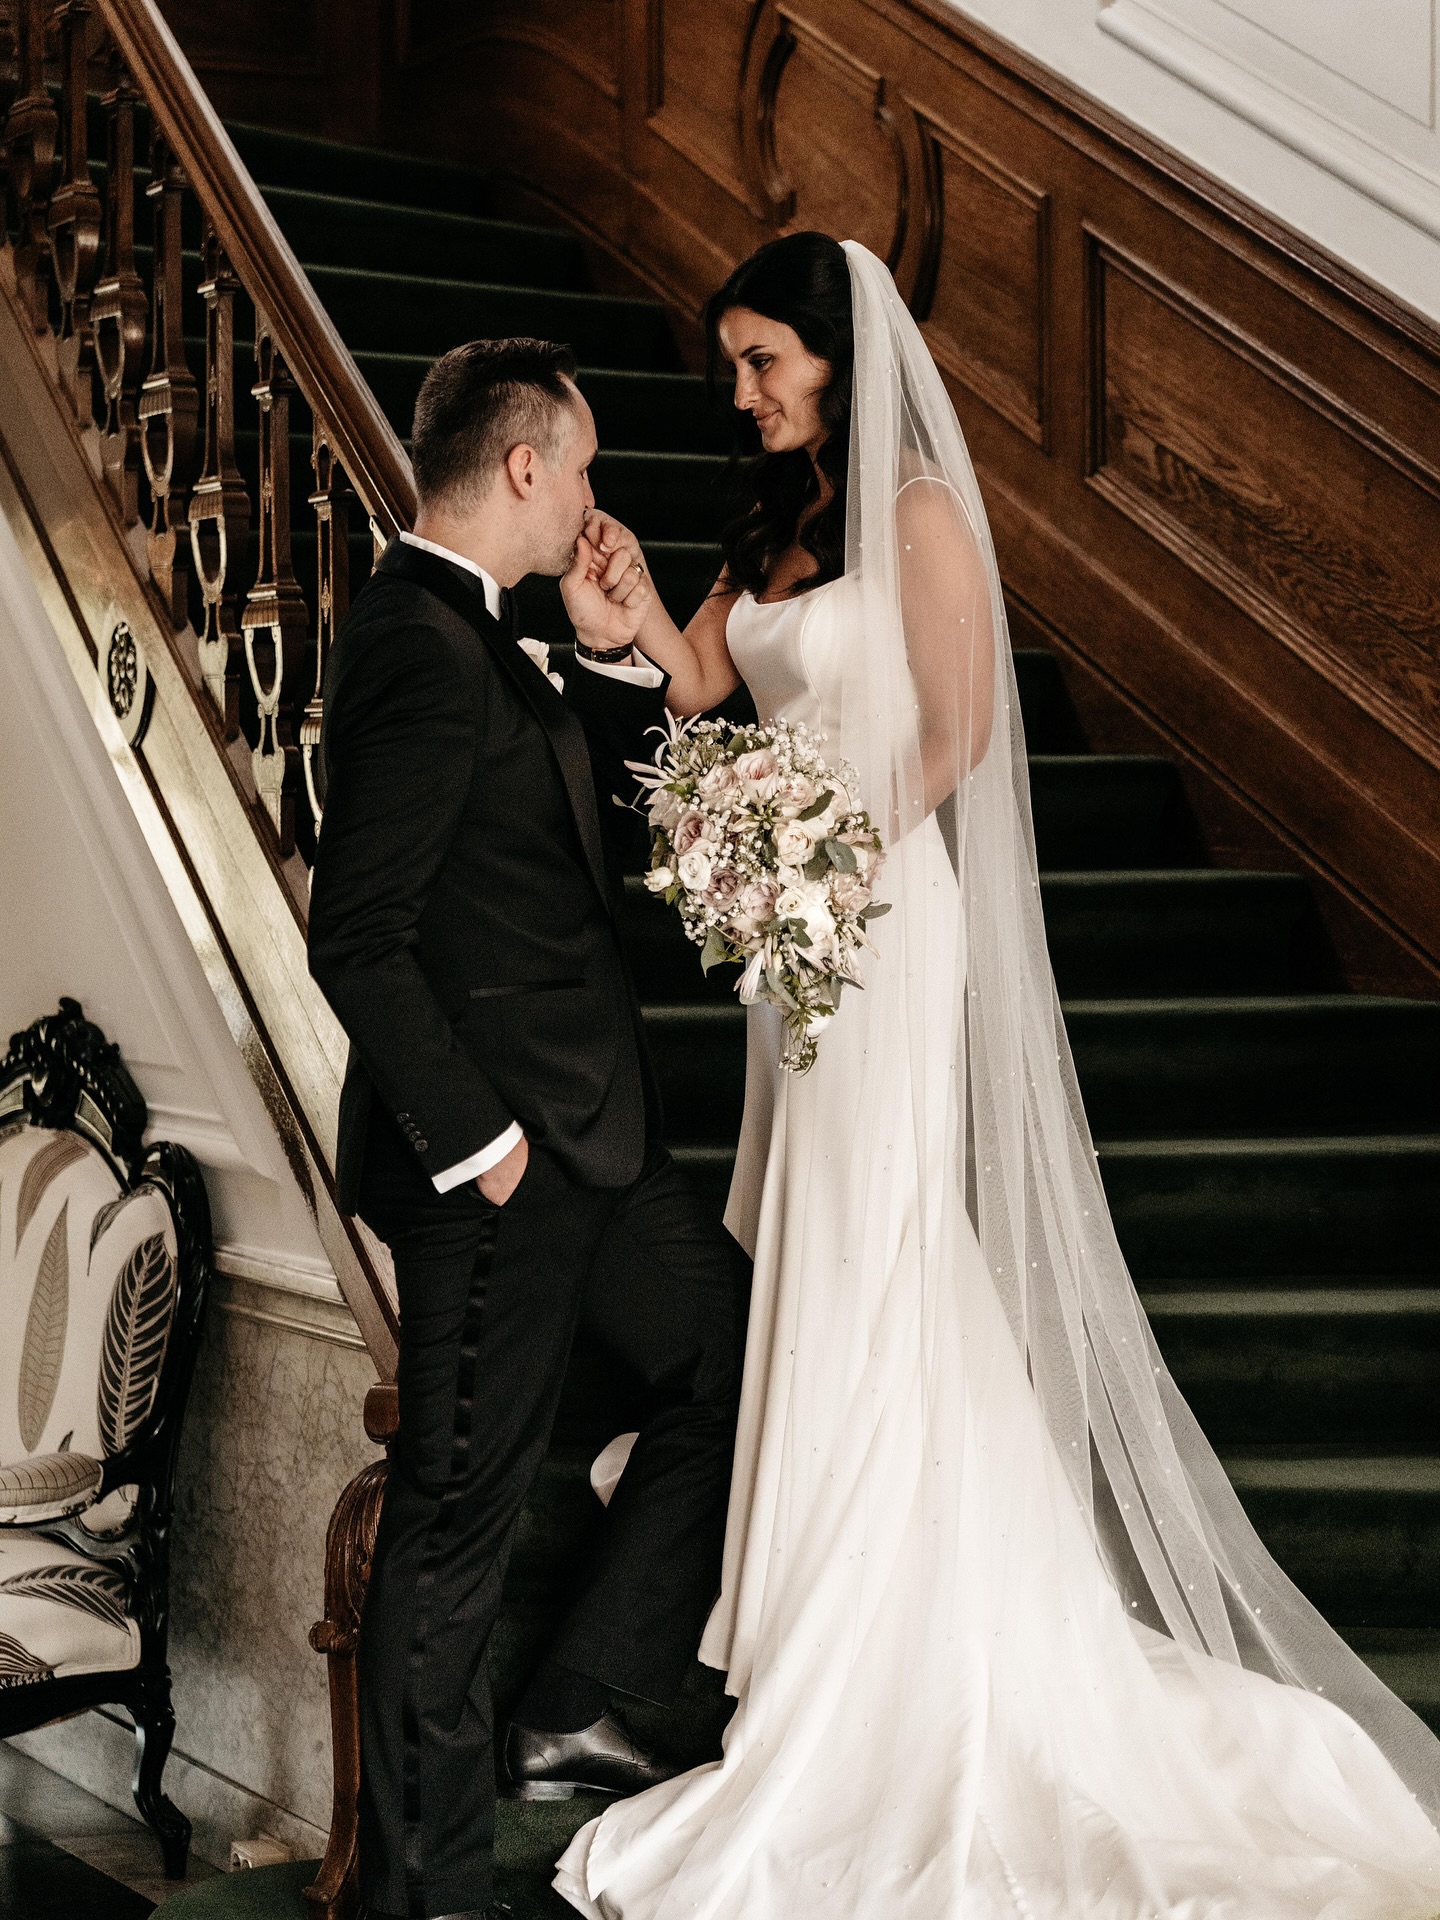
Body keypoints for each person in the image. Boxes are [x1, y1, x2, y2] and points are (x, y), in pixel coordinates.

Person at [551, 236, 1440, 1918]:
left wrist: (817, 860)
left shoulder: (921, 519)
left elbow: (956, 736)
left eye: (764, 362)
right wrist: (633, 620)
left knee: (881, 1254)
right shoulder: (784, 523)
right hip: (800, 930)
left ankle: (882, 1638)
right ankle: (823, 1608)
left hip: (879, 922)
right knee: (820, 1251)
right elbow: (709, 685)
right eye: (734, 366)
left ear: (838, 356)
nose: (740, 392)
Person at [307, 337, 747, 1920]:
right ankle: (416, 1900)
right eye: (581, 466)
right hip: (498, 1166)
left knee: (738, 1360)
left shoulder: (494, 636)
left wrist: (618, 648)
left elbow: (589, 841)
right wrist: (477, 1145)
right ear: (520, 467)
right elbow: (352, 931)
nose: (592, 497)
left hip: (601, 1147)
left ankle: (583, 1692)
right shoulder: (414, 641)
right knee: (452, 1524)